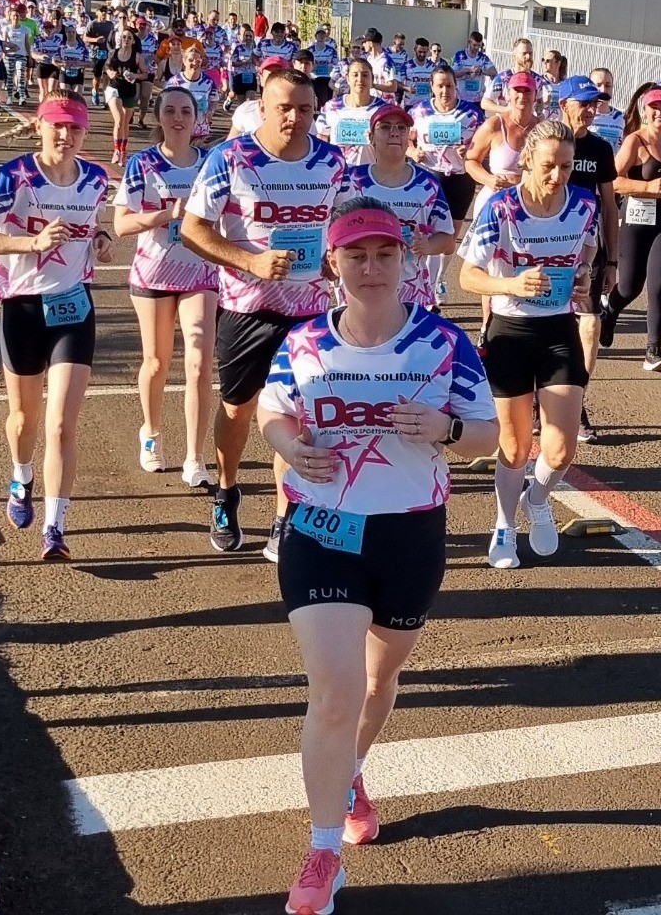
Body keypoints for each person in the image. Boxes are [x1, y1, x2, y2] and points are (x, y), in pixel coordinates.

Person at [258, 195, 498, 915]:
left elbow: (490, 436)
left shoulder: (445, 345)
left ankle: (353, 771)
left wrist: (447, 427)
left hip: (409, 534)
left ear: (405, 261)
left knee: (377, 680)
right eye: (355, 255)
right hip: (321, 531)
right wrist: (288, 444)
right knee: (334, 690)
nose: (371, 268)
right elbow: (273, 411)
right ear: (331, 263)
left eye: (384, 254)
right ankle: (324, 851)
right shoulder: (302, 343)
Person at [181, 68, 352, 559]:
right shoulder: (231, 158)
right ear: (263, 106)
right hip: (247, 306)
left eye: (305, 109)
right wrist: (250, 260)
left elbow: (341, 224)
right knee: (239, 409)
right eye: (285, 108)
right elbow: (193, 229)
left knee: (302, 415)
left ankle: (285, 517)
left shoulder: (332, 161)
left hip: (313, 309)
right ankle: (227, 491)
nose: (296, 118)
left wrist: (334, 257)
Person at [0, 93, 116, 560]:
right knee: (24, 420)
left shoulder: (95, 179)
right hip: (24, 306)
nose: (65, 136)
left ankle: (55, 526)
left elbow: (92, 229)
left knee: (61, 425)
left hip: (73, 306)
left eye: (74, 128)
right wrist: (32, 241)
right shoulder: (13, 177)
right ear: (39, 126)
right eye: (57, 126)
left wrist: (103, 240)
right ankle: (21, 473)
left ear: (84, 133)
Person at [458, 121, 599, 570]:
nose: (558, 176)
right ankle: (504, 524)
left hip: (559, 329)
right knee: (516, 447)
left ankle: (536, 499)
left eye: (566, 166)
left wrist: (583, 277)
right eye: (548, 167)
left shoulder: (583, 203)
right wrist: (512, 282)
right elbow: (466, 276)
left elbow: (587, 250)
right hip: (511, 331)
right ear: (526, 162)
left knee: (560, 449)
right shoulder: (501, 207)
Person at [112, 85, 218, 487]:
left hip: (201, 273)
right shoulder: (143, 164)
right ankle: (151, 433)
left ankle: (195, 457)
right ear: (158, 117)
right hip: (154, 273)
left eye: (186, 112)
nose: (178, 118)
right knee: (157, 363)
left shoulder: (212, 163)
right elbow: (121, 224)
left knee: (198, 362)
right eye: (170, 111)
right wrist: (162, 216)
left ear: (197, 119)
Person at [601, 84, 661, 373]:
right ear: (645, 111)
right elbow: (612, 181)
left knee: (660, 283)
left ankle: (652, 350)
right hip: (637, 220)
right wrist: (646, 187)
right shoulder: (635, 141)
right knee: (629, 286)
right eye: (654, 108)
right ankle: (609, 311)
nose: (660, 112)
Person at [344, 105, 456, 310]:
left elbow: (448, 240)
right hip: (362, 291)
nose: (394, 132)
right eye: (385, 127)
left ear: (409, 137)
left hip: (412, 293)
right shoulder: (351, 180)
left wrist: (428, 246)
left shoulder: (427, 183)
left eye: (401, 128)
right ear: (371, 137)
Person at [559, 75, 621, 442]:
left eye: (592, 103)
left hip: (588, 249)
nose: (589, 110)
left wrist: (613, 260)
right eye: (582, 103)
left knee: (590, 325)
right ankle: (538, 398)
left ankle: (575, 400)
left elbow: (610, 207)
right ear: (563, 105)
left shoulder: (599, 149)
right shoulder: (547, 142)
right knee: (549, 324)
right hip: (545, 248)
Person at [463, 72, 537, 336]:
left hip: (528, 207)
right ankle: (488, 325)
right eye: (517, 91)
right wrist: (490, 180)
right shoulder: (495, 126)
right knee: (493, 263)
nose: (522, 96)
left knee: (522, 260)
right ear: (508, 94)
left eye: (527, 91)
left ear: (535, 95)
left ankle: (524, 318)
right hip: (495, 203)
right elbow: (470, 160)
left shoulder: (541, 130)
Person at [408, 65, 484, 304]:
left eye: (449, 85)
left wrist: (470, 149)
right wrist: (412, 152)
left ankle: (440, 279)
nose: (445, 91)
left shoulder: (471, 114)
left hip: (460, 179)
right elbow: (406, 140)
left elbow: (484, 145)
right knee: (433, 233)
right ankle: (429, 288)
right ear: (432, 87)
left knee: (450, 239)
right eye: (440, 86)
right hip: (431, 177)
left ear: (456, 86)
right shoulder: (419, 112)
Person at [316, 57, 385, 168]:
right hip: (337, 174)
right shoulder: (331, 107)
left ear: (372, 79)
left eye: (365, 75)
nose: (360, 79)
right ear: (348, 79)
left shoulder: (383, 110)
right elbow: (322, 137)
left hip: (368, 176)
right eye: (355, 75)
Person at [103, 27, 146, 165]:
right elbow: (107, 66)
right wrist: (109, 72)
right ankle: (116, 150)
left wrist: (135, 75)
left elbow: (145, 74)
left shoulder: (137, 56)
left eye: (129, 38)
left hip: (129, 89)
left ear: (133, 41)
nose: (126, 40)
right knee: (119, 119)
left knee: (125, 123)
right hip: (114, 88)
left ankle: (123, 151)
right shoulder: (113, 53)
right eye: (124, 37)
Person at [482, 38, 551, 117]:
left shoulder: (537, 80)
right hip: (506, 125)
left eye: (530, 53)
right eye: (524, 53)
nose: (528, 56)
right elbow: (485, 102)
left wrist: (541, 108)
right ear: (514, 56)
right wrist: (505, 110)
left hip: (528, 126)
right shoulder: (503, 78)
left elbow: (539, 103)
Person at [164, 49, 217, 144]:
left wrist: (210, 111)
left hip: (200, 127)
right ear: (184, 61)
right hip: (179, 125)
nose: (194, 63)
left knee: (197, 153)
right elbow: (165, 102)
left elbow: (214, 99)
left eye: (198, 60)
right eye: (191, 60)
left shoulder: (208, 82)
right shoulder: (174, 82)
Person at [230, 56, 289, 139]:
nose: (273, 79)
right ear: (261, 78)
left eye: (278, 75)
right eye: (270, 75)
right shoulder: (245, 110)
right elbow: (227, 149)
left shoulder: (298, 112)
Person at [452, 31, 496, 108]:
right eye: (474, 45)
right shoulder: (460, 56)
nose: (476, 48)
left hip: (477, 100)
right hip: (462, 99)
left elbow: (494, 72)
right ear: (469, 42)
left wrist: (481, 71)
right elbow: (452, 74)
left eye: (479, 46)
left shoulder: (483, 58)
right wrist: (466, 71)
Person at [83, 7, 115, 106]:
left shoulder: (110, 25)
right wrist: (96, 40)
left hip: (107, 53)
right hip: (95, 53)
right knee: (97, 76)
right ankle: (95, 91)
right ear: (97, 12)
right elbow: (85, 38)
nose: (104, 13)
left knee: (106, 76)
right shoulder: (93, 24)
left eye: (105, 12)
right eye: (102, 11)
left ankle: (106, 99)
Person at [31, 19, 66, 101]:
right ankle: (42, 109)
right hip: (42, 66)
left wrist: (61, 62)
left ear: (53, 29)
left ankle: (49, 109)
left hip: (54, 66)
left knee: (51, 91)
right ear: (42, 29)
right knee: (43, 91)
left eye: (50, 28)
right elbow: (33, 54)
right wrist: (40, 56)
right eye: (46, 28)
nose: (48, 30)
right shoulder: (38, 40)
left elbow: (63, 52)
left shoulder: (58, 39)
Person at [310, 26, 339, 107]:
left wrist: (332, 69)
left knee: (328, 98)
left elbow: (337, 64)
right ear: (316, 36)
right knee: (322, 98)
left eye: (323, 34)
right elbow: (307, 63)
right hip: (315, 77)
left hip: (328, 77)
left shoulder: (331, 50)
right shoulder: (310, 50)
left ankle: (325, 112)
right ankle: (321, 112)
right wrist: (312, 67)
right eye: (319, 34)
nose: (321, 36)